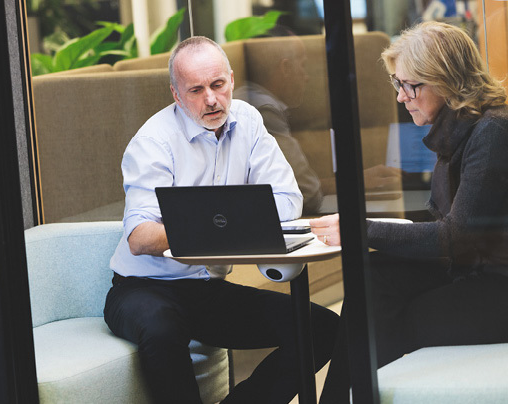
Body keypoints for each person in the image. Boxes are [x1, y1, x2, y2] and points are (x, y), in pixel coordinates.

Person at [310, 21, 508, 368]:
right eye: (397, 84)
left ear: (447, 81)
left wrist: (360, 228)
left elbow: (454, 237)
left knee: (402, 317)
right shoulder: (460, 128)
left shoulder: (494, 131)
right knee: (372, 277)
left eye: (410, 86)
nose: (401, 97)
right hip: (482, 271)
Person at [103, 36, 340, 404]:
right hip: (143, 288)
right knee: (162, 327)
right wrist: (222, 224)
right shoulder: (153, 141)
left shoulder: (247, 121)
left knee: (323, 328)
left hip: (207, 292)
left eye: (217, 85)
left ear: (230, 79)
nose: (211, 99)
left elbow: (289, 199)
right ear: (176, 95)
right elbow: (140, 236)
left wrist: (219, 223)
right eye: (196, 90)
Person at [234, 33, 401, 214]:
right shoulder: (264, 109)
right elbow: (307, 191)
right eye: (303, 65)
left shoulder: (248, 100)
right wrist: (354, 182)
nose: (306, 77)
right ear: (286, 68)